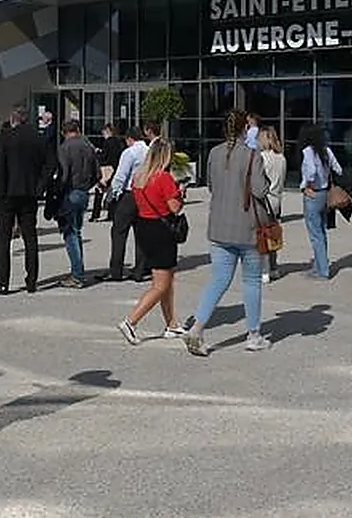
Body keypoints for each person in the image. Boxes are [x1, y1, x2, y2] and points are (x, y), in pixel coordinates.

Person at [184, 111, 271, 357]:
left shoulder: (214, 153)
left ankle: (198, 327)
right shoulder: (252, 155)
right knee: (251, 281)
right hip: (247, 227)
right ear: (246, 128)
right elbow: (259, 189)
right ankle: (253, 334)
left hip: (219, 226)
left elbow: (211, 186)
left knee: (218, 279)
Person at [116, 139, 185, 344]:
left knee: (166, 279)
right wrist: (180, 195)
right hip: (161, 230)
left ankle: (171, 324)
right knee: (161, 285)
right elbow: (174, 208)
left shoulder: (139, 177)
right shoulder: (163, 178)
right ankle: (131, 321)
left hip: (144, 226)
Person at [0, 105, 50, 295]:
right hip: (30, 194)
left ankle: (2, 281)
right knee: (30, 238)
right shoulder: (39, 138)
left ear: (13, 119)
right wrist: (39, 187)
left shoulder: (5, 137)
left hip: (8, 194)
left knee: (4, 240)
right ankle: (32, 281)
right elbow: (50, 164)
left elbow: (0, 169)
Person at [53, 120, 100, 288]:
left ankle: (77, 274)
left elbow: (63, 174)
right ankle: (79, 269)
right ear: (78, 129)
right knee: (77, 232)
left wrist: (57, 192)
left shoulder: (64, 148)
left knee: (70, 234)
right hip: (84, 192)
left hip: (70, 192)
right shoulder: (88, 146)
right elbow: (98, 174)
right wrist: (88, 185)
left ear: (64, 132)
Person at [298, 126, 343, 280]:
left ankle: (322, 270)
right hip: (325, 193)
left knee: (315, 233)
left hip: (313, 193)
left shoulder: (308, 152)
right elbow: (339, 169)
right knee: (321, 232)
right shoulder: (327, 151)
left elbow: (310, 171)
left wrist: (307, 185)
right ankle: (319, 265)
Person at [107, 127, 148, 282]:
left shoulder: (129, 152)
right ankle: (139, 270)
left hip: (129, 195)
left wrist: (113, 194)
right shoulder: (149, 151)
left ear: (130, 139)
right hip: (144, 194)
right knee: (141, 233)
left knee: (119, 232)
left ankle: (116, 271)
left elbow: (121, 176)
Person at [256, 127, 286, 281]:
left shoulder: (261, 158)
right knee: (273, 234)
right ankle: (274, 267)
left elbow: (258, 181)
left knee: (262, 236)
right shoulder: (281, 158)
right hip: (277, 199)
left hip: (264, 200)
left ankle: (264, 270)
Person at [93, 122, 125, 222]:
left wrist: (98, 153)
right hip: (116, 169)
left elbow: (104, 157)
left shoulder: (107, 142)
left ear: (107, 131)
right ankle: (111, 214)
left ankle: (95, 214)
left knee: (99, 191)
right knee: (113, 191)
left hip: (107, 169)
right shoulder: (119, 142)